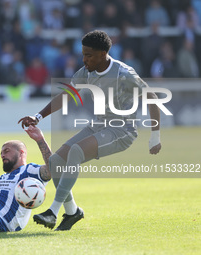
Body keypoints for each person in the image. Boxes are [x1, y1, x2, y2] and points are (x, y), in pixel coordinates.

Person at [18, 30, 162, 231]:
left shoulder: (124, 74)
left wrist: (155, 136)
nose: (84, 59)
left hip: (122, 131)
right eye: (83, 54)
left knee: (76, 150)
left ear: (103, 54)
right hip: (98, 125)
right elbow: (66, 96)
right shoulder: (86, 72)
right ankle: (72, 211)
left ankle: (53, 211)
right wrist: (38, 116)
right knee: (55, 161)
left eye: (89, 55)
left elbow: (152, 97)